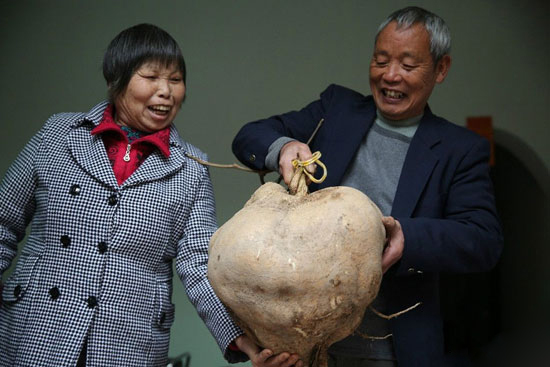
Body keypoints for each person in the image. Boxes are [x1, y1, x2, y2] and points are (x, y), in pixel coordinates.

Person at [0, 23, 302, 367]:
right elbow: (3, 221)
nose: (166, 92)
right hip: (36, 329)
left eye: (175, 80)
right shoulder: (58, 134)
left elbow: (201, 266)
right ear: (117, 78)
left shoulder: (191, 168)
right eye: (151, 77)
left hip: (128, 343)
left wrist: (245, 342)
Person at [232, 6, 503, 367]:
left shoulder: (460, 149)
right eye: (380, 60)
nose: (391, 76)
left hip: (389, 346)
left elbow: (483, 240)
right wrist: (283, 147)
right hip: (304, 340)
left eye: (408, 66)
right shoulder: (337, 109)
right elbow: (249, 136)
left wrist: (408, 237)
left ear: (441, 69)